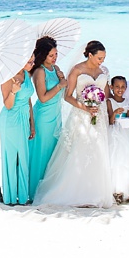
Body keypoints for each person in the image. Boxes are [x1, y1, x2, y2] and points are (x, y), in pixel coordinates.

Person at [34, 41, 116, 207]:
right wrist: (85, 107)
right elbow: (67, 96)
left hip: (98, 115)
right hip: (81, 116)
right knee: (80, 151)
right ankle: (75, 192)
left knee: (98, 150)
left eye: (104, 58)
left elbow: (106, 95)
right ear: (90, 55)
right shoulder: (77, 70)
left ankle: (95, 192)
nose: (102, 61)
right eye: (99, 57)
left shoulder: (103, 71)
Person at [0, 56, 36, 205]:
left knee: (24, 157)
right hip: (10, 120)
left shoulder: (27, 74)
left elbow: (29, 100)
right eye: (29, 61)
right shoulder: (7, 78)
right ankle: (11, 198)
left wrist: (32, 124)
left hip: (24, 120)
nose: (32, 64)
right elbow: (8, 105)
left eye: (33, 61)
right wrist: (13, 91)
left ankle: (23, 196)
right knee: (11, 157)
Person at [27, 37, 67, 182]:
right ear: (43, 55)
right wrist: (60, 85)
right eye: (51, 55)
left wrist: (62, 80)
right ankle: (35, 188)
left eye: (56, 54)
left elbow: (61, 93)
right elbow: (42, 97)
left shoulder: (55, 69)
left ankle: (49, 186)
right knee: (41, 152)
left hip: (56, 115)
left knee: (53, 152)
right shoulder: (39, 71)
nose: (54, 58)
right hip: (43, 117)